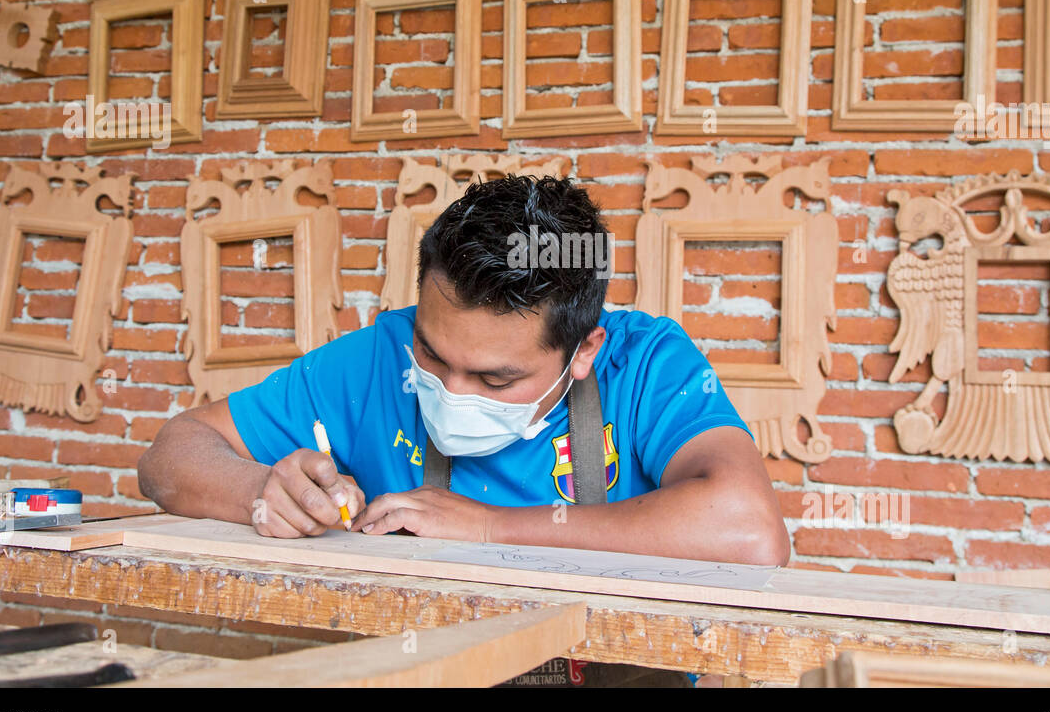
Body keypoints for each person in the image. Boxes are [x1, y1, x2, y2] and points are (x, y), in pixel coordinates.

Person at [138, 173, 790, 685]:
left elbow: (750, 531)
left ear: (585, 351)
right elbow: (172, 453)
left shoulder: (646, 363)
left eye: (495, 379)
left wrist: (488, 528)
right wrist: (263, 491)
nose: (450, 394)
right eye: (433, 355)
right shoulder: (373, 359)